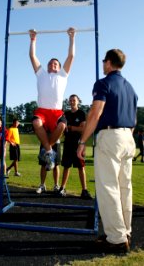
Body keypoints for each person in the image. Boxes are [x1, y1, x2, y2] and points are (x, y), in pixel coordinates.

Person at [77, 49, 138, 253]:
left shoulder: (103, 83)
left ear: (109, 63)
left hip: (110, 136)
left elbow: (96, 111)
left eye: (105, 61)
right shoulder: (131, 88)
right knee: (124, 187)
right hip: (128, 137)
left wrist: (82, 140)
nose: (103, 64)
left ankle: (116, 238)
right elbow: (134, 120)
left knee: (108, 188)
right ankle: (124, 231)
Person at [29, 27, 76, 170]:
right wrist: (33, 39)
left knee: (62, 125)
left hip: (56, 112)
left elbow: (71, 56)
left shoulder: (63, 75)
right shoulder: (41, 74)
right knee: (36, 123)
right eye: (50, 63)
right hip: (42, 111)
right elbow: (32, 56)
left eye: (55, 63)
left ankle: (46, 150)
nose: (52, 64)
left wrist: (72, 38)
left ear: (60, 67)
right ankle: (49, 151)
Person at [59, 94, 92, 199]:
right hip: (68, 143)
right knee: (66, 167)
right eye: (70, 100)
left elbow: (83, 129)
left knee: (81, 167)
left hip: (78, 144)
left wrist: (72, 127)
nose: (72, 102)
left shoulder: (81, 113)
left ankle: (84, 190)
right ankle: (62, 188)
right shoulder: (66, 114)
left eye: (74, 100)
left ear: (78, 101)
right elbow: (63, 129)